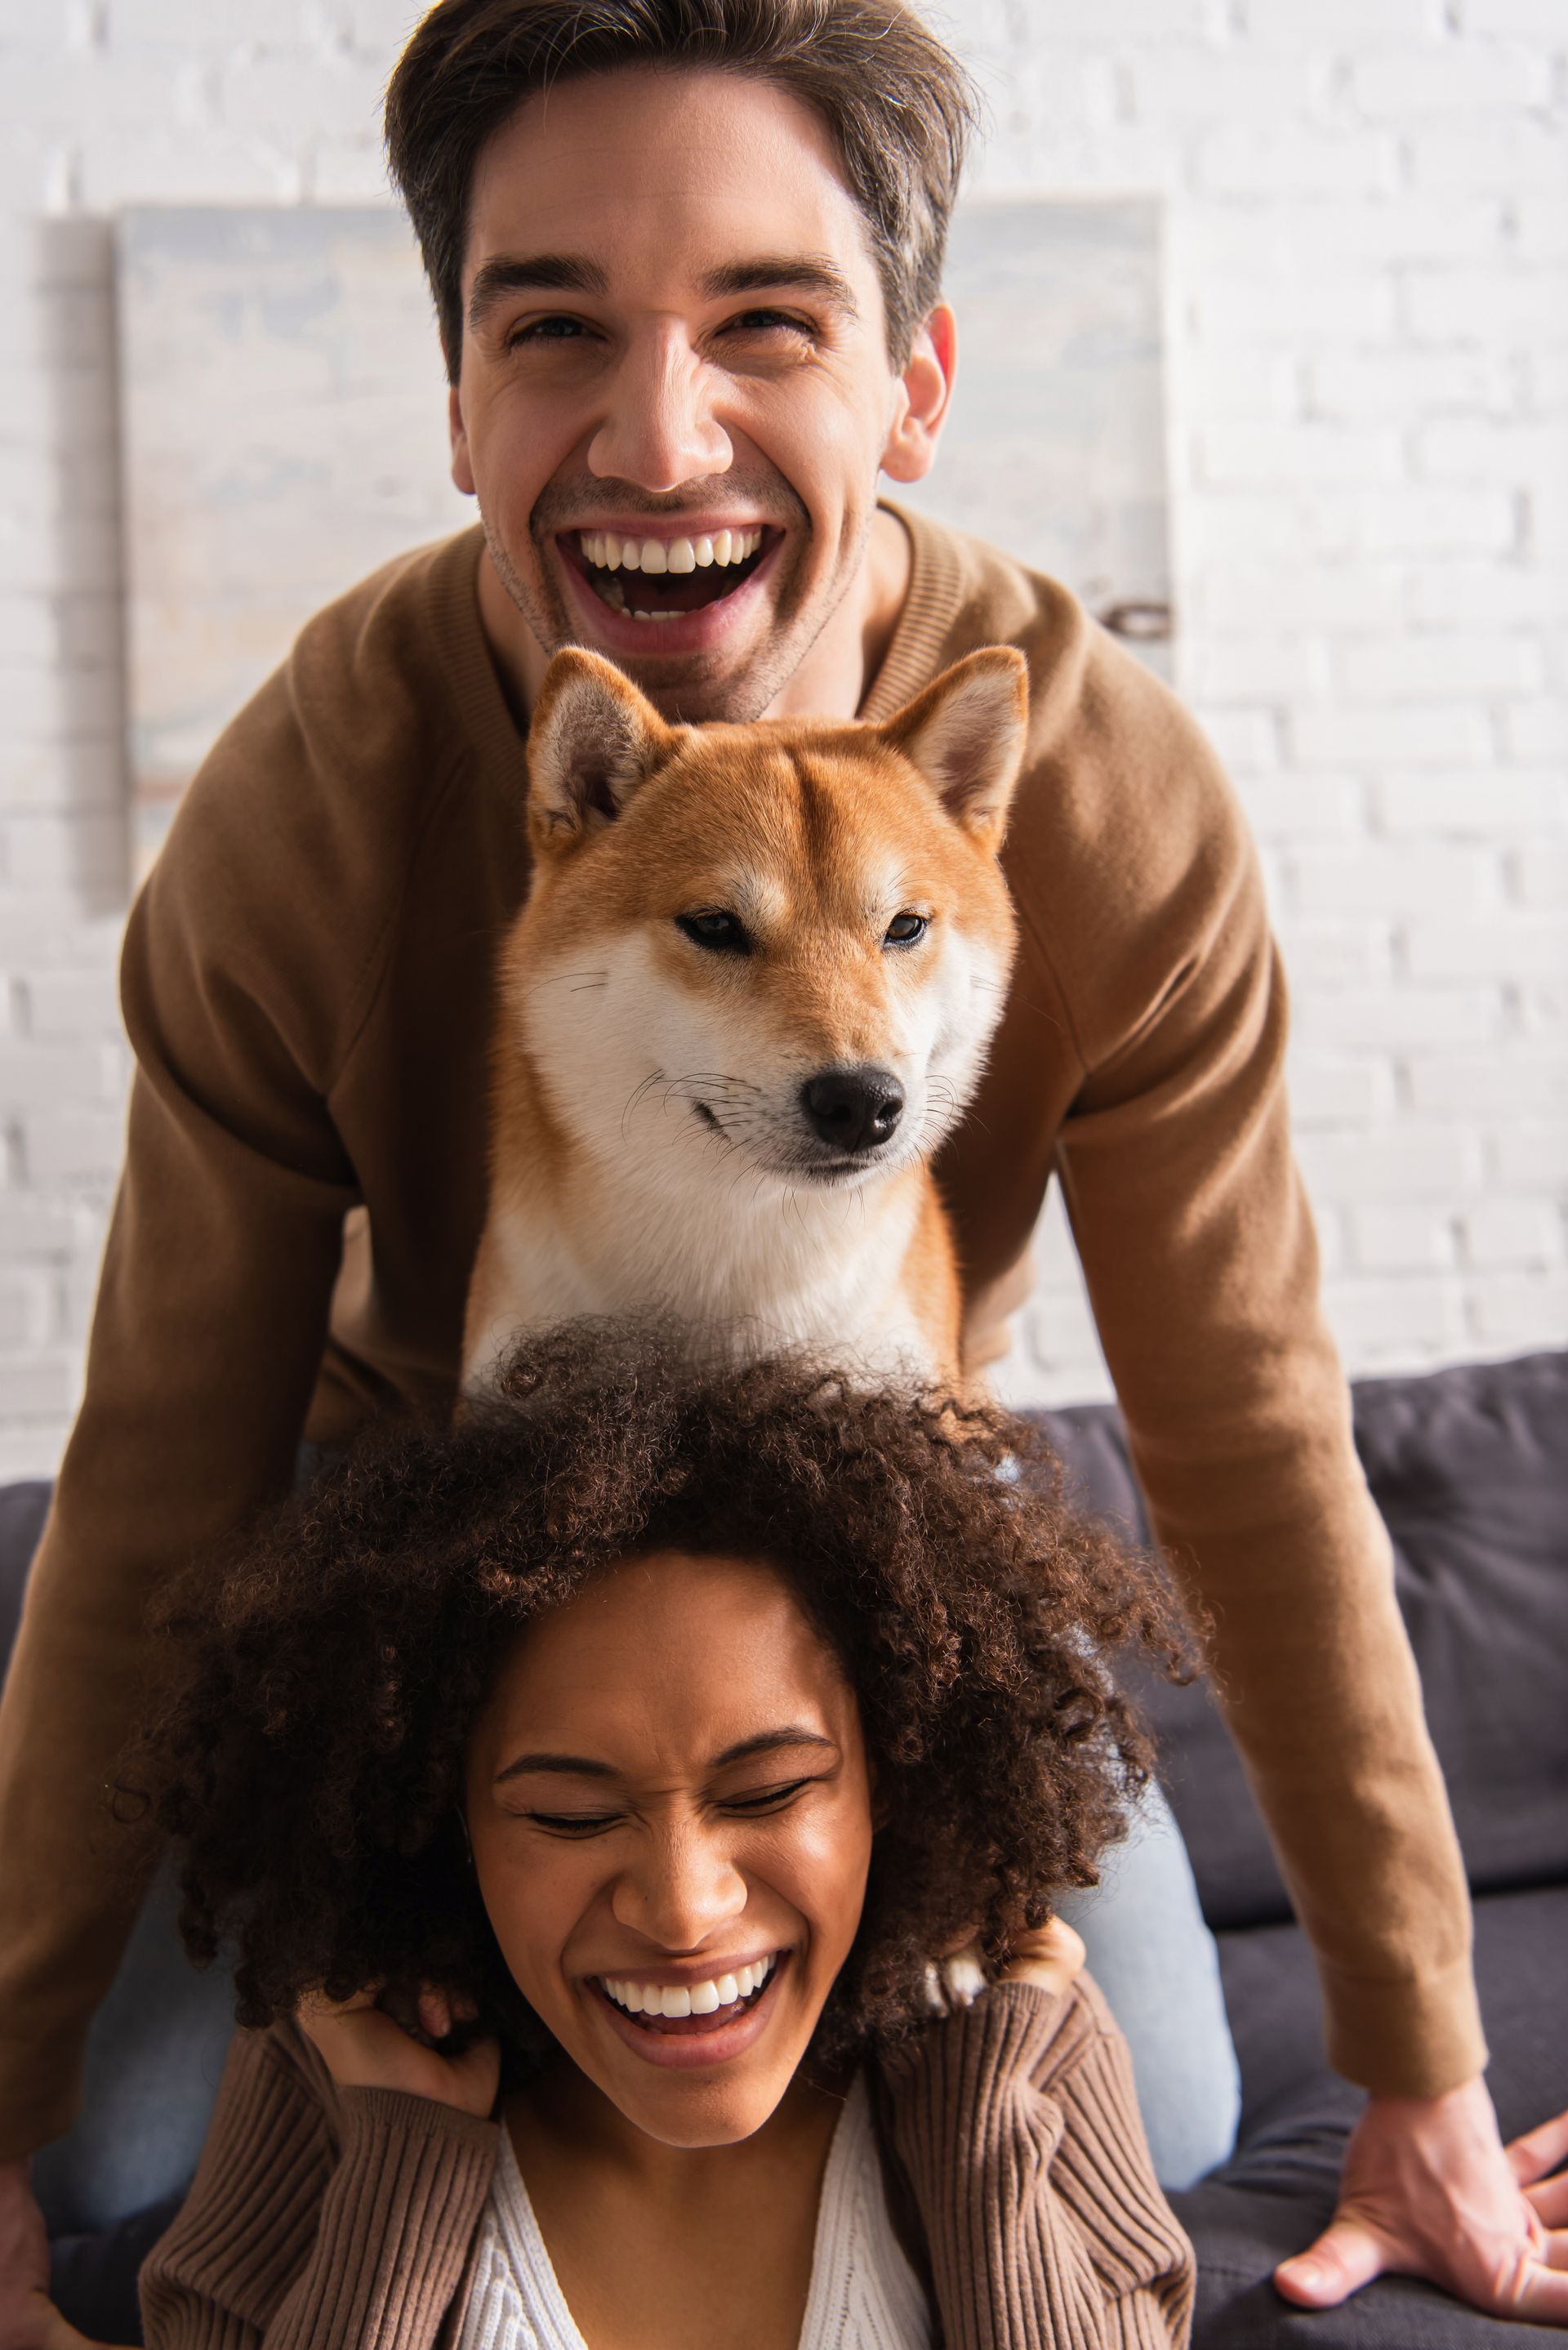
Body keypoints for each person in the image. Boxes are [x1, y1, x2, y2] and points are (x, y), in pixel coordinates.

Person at [1, 0, 1564, 2329]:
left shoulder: (1101, 799)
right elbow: (154, 1478)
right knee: (111, 2143)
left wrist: (1423, 2062)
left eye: (766, 321)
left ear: (915, 380)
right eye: (554, 327)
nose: (658, 434)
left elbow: (1250, 1432)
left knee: (1168, 2098)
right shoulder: (307, 800)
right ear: (453, 395)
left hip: (886, 1512)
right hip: (417, 1512)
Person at [127, 1331, 1194, 2349]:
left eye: (770, 1791)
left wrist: (981, 2121)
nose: (684, 1910)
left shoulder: (1017, 2036)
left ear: (893, 1780)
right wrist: (402, 2152)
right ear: (443, 1817)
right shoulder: (332, 2056)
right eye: (572, 1816)